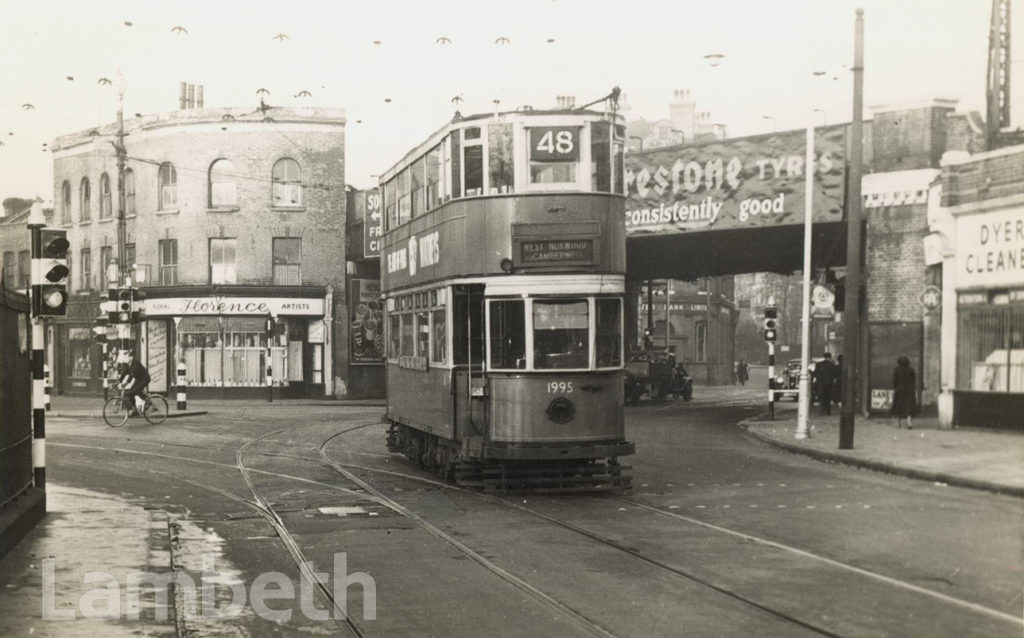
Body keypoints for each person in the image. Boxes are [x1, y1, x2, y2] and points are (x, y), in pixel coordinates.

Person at [119, 352, 151, 416]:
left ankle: (148, 401)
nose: (127, 358)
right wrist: (119, 381)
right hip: (139, 380)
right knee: (130, 393)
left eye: (128, 357)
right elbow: (124, 373)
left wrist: (125, 383)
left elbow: (132, 374)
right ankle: (135, 411)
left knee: (135, 390)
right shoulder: (129, 364)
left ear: (132, 357)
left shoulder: (135, 363)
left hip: (145, 379)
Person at [891, 355, 917, 429]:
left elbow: (894, 381)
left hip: (900, 389)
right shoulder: (911, 370)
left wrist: (895, 388)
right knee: (909, 406)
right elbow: (913, 381)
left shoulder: (896, 370)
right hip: (909, 390)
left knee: (899, 406)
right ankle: (909, 422)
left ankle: (898, 423)